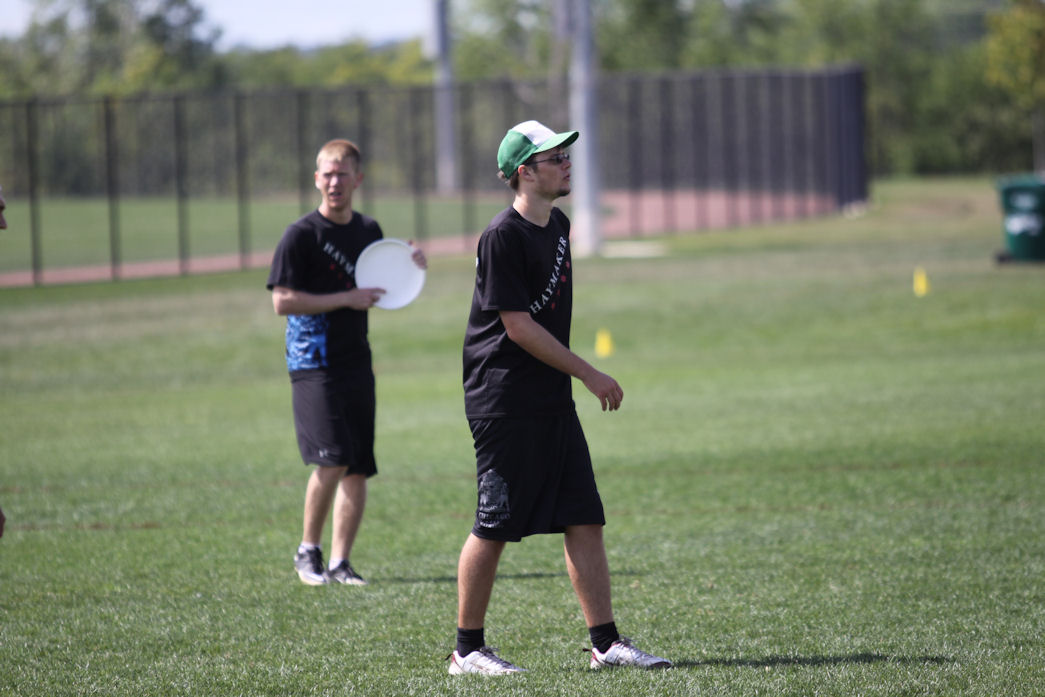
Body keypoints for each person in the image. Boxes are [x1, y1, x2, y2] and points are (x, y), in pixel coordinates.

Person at [448, 121, 672, 675]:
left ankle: (605, 644)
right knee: (495, 523)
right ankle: (467, 650)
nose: (567, 164)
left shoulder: (560, 225)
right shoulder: (502, 237)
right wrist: (589, 373)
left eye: (566, 156)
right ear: (525, 172)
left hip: (549, 397)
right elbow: (518, 327)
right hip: (504, 400)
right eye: (555, 158)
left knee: (583, 516)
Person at [267, 139, 426, 586]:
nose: (334, 182)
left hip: (356, 360)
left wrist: (410, 264)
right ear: (316, 179)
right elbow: (282, 301)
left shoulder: (368, 231)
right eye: (327, 174)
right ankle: (308, 552)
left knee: (357, 465)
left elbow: (382, 286)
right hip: (313, 362)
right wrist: (345, 298)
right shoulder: (300, 235)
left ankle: (340, 563)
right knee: (332, 459)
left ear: (358, 179)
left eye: (342, 174)